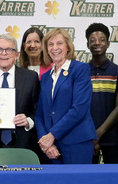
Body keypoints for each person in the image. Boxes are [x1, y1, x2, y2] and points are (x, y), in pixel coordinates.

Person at [35, 28, 96, 164]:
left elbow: (79, 108)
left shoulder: (80, 69)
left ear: (68, 46)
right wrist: (46, 141)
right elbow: (39, 113)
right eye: (50, 44)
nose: (54, 48)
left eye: (59, 43)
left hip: (77, 142)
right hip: (51, 147)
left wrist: (52, 135)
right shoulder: (45, 77)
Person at [0, 34, 40, 152]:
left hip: (23, 145)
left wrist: (28, 121)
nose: (4, 53)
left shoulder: (30, 77)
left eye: (9, 50)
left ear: (17, 54)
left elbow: (39, 109)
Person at [85, 23, 118, 164]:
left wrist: (99, 133)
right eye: (92, 40)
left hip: (113, 138)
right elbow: (78, 107)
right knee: (87, 181)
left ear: (108, 43)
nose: (97, 43)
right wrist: (92, 135)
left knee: (115, 182)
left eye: (102, 39)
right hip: (86, 137)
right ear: (87, 45)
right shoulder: (81, 72)